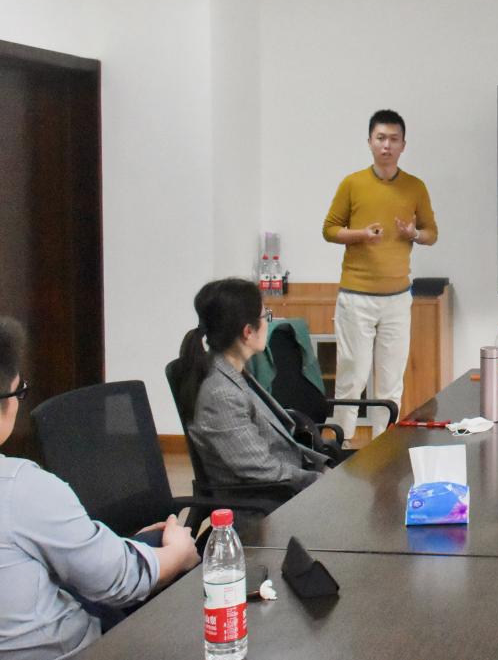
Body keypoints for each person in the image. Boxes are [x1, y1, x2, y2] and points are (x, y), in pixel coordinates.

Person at [0, 316, 200, 659]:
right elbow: (118, 582)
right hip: (77, 649)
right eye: (21, 391)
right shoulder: (22, 489)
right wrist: (178, 553)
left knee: (144, 545)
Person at [322, 109, 438, 440]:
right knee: (352, 378)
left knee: (390, 382)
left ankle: (383, 450)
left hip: (398, 298)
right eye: (380, 138)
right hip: (356, 296)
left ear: (403, 145)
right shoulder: (352, 183)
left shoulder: (415, 186)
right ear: (370, 142)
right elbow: (329, 229)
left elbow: (431, 233)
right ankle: (339, 448)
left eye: (393, 139)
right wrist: (360, 235)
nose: (387, 145)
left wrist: (413, 233)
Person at [176, 278, 330, 490]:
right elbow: (261, 469)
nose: (267, 323)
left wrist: (325, 469)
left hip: (284, 483)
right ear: (248, 331)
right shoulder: (221, 394)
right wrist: (320, 481)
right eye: (266, 316)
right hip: (267, 499)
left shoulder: (233, 371)